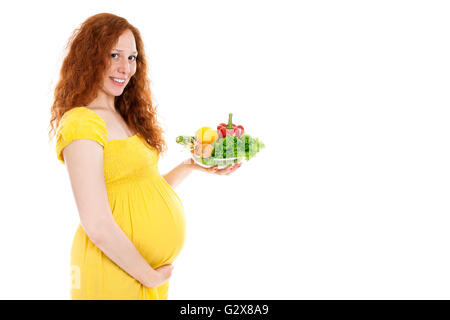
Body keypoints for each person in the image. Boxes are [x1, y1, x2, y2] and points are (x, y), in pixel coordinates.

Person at [48, 12, 241, 300]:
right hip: (114, 272)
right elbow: (96, 223)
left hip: (141, 273)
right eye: (113, 54)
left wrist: (193, 165)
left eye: (132, 57)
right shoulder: (81, 122)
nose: (124, 67)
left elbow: (140, 189)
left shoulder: (122, 115)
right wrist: (148, 275)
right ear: (89, 57)